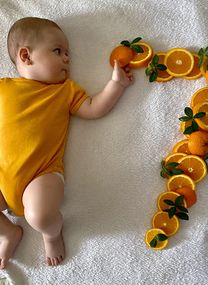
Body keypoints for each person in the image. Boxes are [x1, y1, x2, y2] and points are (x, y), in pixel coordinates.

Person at [0, 17, 133, 268]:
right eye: (58, 51)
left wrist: (116, 84)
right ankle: (8, 232)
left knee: (40, 215)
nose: (67, 59)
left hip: (41, 174)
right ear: (26, 56)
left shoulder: (64, 91)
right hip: (2, 174)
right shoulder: (4, 88)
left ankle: (51, 235)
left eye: (68, 54)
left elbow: (93, 108)